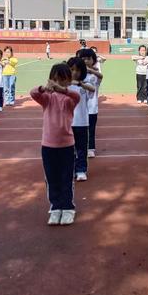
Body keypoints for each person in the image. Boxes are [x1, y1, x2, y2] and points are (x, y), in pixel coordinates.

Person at [30, 63, 80, 225]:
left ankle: (68, 208)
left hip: (67, 145)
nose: (58, 82)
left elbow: (75, 97)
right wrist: (44, 88)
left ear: (68, 81)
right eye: (56, 79)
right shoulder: (47, 98)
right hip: (48, 146)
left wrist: (60, 89)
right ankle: (55, 207)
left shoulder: (69, 98)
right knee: (52, 179)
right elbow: (33, 93)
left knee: (66, 178)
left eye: (63, 79)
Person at [67, 56, 95, 182]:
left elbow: (92, 89)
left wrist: (79, 83)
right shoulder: (64, 85)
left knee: (81, 148)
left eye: (78, 70)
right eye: (72, 70)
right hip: (67, 123)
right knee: (68, 149)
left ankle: (81, 170)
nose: (75, 73)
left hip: (82, 122)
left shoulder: (85, 83)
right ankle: (70, 170)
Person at [77, 48, 103, 158]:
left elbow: (101, 76)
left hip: (92, 107)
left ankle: (91, 148)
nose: (86, 61)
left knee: (90, 129)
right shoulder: (77, 74)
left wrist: (92, 70)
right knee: (79, 130)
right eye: (83, 59)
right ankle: (79, 148)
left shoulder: (95, 75)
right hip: (79, 108)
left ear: (93, 60)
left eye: (88, 59)